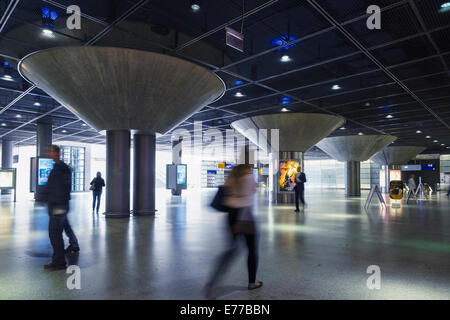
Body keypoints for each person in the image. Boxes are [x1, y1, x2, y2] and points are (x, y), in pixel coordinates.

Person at [206, 164, 262, 298]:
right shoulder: (249, 177)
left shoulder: (230, 178)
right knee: (252, 250)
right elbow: (254, 190)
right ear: (246, 170)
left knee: (231, 249)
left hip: (231, 216)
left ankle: (213, 282)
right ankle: (252, 282)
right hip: (245, 216)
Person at [43, 145, 79, 270]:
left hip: (58, 206)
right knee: (64, 226)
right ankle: (73, 245)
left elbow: (58, 189)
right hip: (60, 205)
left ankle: (59, 260)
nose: (48, 153)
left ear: (56, 153)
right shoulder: (61, 167)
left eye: (50, 151)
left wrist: (53, 204)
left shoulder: (60, 169)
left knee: (54, 233)